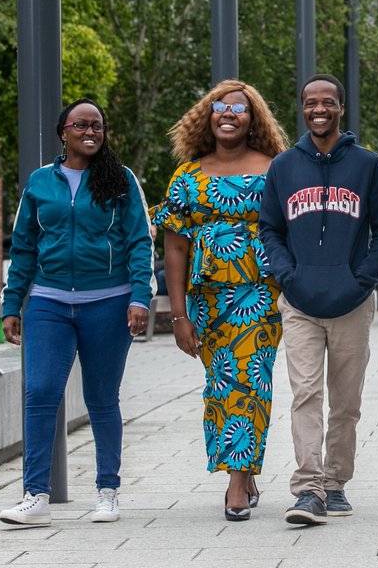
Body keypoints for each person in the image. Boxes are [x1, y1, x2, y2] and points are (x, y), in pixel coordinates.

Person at [0, 99, 154, 527]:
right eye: (81, 124)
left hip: (108, 303)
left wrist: (141, 297)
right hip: (48, 303)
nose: (91, 131)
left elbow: (140, 241)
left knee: (101, 399)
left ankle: (107, 492)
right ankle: (35, 495)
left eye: (98, 125)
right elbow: (24, 246)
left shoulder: (120, 180)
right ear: (63, 131)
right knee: (41, 392)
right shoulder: (39, 182)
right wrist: (12, 304)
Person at [259, 74, 378, 526]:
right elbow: (270, 229)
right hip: (299, 303)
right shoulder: (283, 166)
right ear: (302, 109)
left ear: (341, 107)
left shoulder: (366, 164)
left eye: (328, 103)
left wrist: (363, 281)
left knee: (346, 401)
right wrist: (287, 274)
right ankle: (308, 489)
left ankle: (336, 483)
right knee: (305, 394)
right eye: (310, 103)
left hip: (351, 303)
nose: (319, 110)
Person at [153, 80, 289, 522]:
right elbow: (174, 247)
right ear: (206, 116)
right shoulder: (187, 175)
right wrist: (177, 315)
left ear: (254, 119)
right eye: (219, 106)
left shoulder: (276, 169)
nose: (228, 113)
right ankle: (244, 471)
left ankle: (235, 483)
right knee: (221, 385)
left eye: (239, 107)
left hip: (260, 295)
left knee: (251, 381)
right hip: (207, 299)